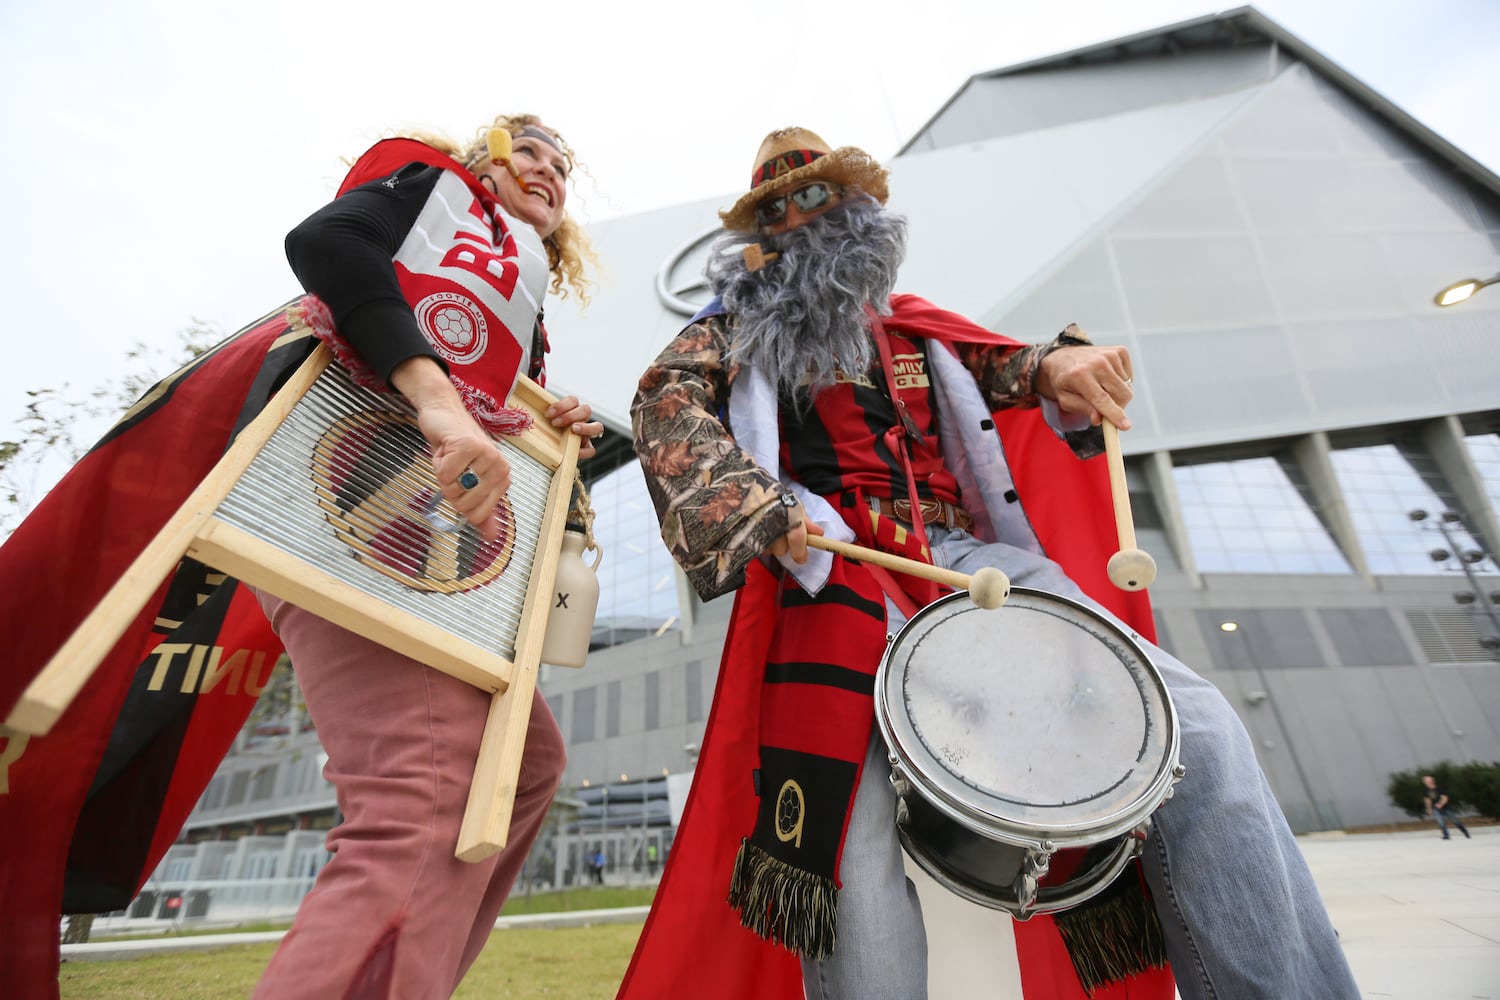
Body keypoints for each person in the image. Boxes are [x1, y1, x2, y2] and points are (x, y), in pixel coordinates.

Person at [621, 127, 1361, 1000]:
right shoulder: (734, 330)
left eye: (817, 199)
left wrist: (1064, 363)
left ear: (859, 214)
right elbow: (665, 404)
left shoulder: (918, 327)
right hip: (836, 572)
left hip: (975, 566)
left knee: (1196, 737)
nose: (797, 220)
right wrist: (756, 503)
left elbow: (1021, 367)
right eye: (777, 211)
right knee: (844, 843)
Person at [247, 113, 603, 999]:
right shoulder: (428, 191)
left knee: (523, 770)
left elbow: (472, 406)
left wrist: (539, 419)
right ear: (482, 154)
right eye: (527, 148)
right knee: (420, 801)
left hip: (419, 540)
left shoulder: (518, 306)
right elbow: (327, 244)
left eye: (563, 167)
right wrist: (441, 399)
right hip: (335, 503)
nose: (548, 169)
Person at [1423, 774, 1471, 839]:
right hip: (1436, 809)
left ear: (1432, 781)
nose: (1427, 782)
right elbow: (1427, 800)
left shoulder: (1439, 788)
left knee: (1455, 821)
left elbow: (1445, 798)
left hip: (1446, 808)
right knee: (1441, 822)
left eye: (1428, 780)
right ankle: (1446, 835)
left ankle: (1465, 832)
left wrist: (1440, 804)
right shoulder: (1426, 791)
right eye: (1426, 781)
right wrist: (1429, 809)